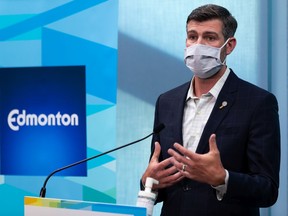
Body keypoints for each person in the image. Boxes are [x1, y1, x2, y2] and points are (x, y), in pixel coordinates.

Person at [140, 4, 280, 216]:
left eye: (209, 38)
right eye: (192, 36)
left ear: (229, 45)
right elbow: (160, 180)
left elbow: (267, 190)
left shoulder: (258, 102)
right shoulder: (166, 101)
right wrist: (148, 181)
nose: (198, 45)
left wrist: (222, 178)